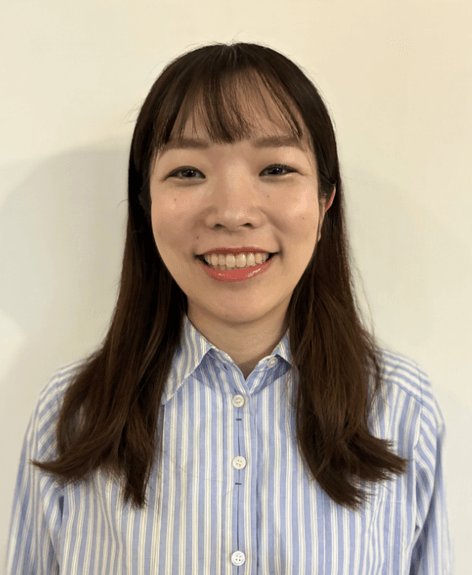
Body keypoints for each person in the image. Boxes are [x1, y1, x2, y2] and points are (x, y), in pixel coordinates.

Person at [6, 41, 451, 574]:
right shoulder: (72, 414)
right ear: (146, 205)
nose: (233, 212)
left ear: (325, 201)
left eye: (276, 168)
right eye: (189, 172)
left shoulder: (403, 409)